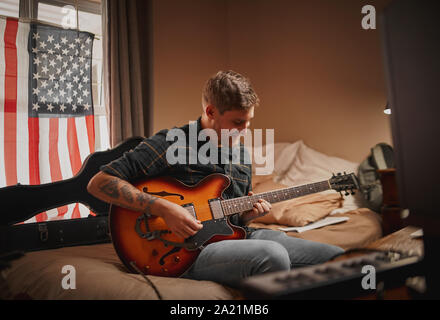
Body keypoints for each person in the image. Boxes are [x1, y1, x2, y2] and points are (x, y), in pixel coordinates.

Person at [87, 70, 344, 287]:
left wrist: (248, 214)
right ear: (211, 111)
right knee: (272, 255)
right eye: (237, 122)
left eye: (249, 122)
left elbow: (232, 219)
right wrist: (163, 208)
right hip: (182, 249)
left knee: (340, 259)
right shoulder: (171, 142)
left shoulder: (242, 155)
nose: (245, 130)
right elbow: (99, 182)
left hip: (234, 238)